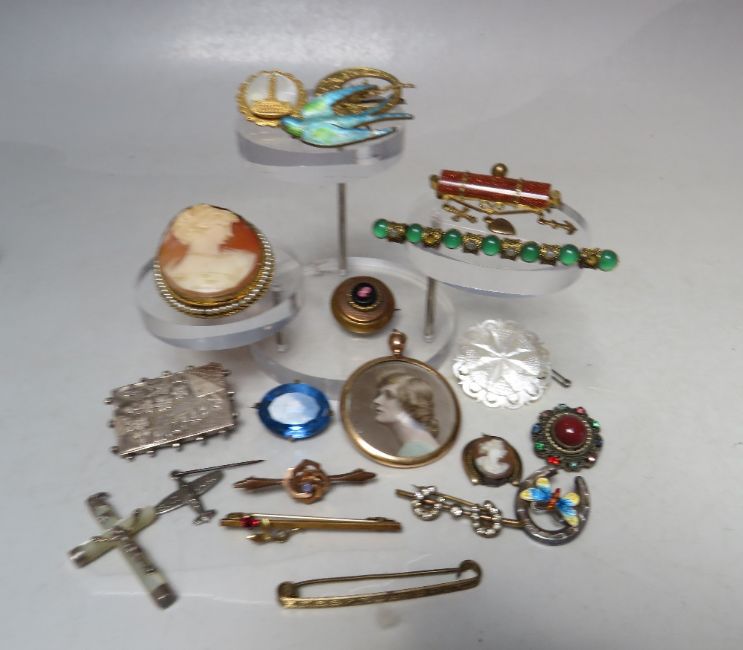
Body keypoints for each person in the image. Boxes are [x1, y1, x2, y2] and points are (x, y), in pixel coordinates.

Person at [162, 204, 257, 299]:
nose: (229, 234)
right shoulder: (172, 270)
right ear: (202, 227)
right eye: (223, 226)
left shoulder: (244, 260)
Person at [372, 371, 439, 457]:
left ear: (410, 403)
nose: (376, 401)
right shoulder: (420, 444)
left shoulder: (414, 450)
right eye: (379, 395)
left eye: (389, 395)